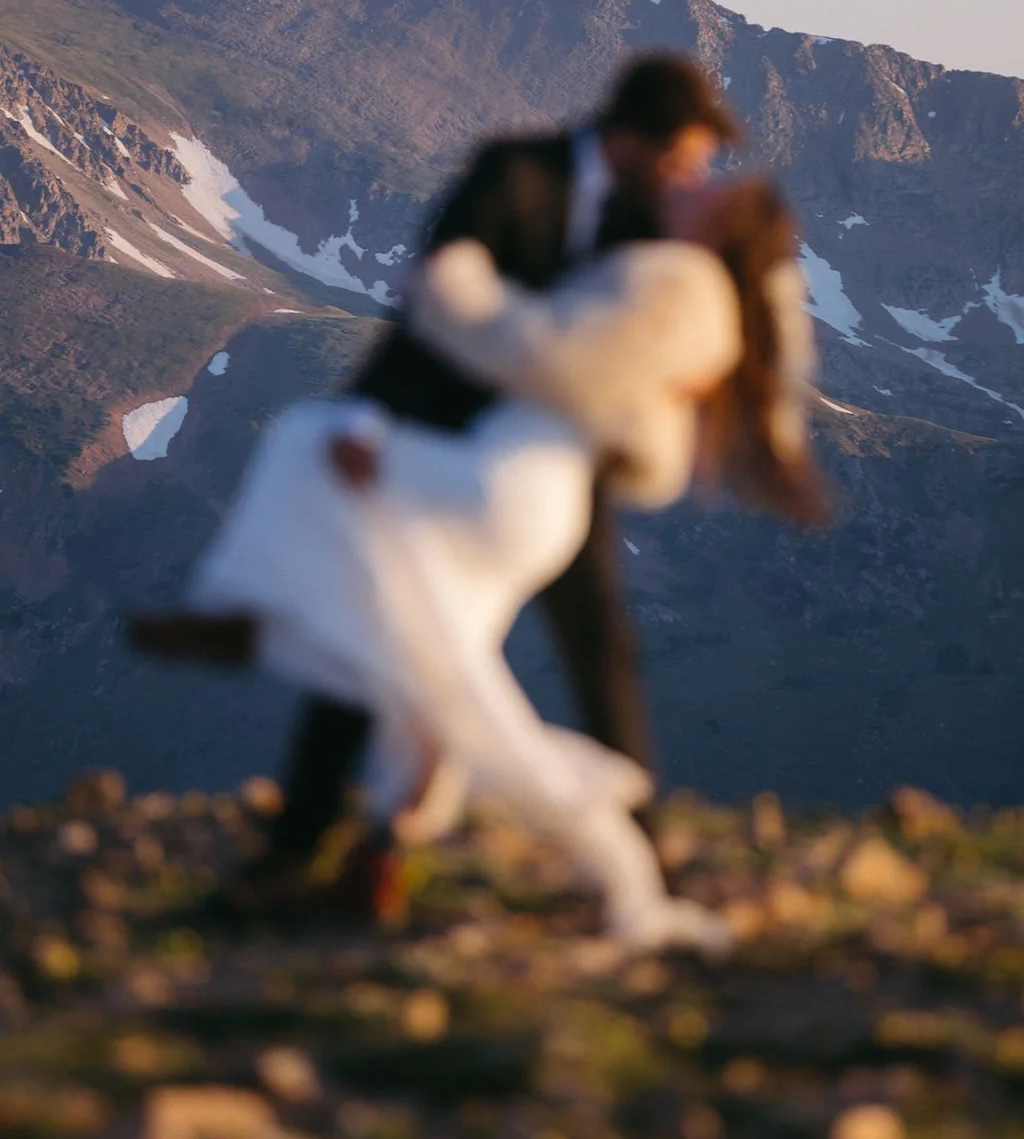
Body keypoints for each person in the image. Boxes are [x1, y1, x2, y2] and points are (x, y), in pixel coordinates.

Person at [154, 177, 823, 948]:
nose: (693, 186)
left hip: (507, 483)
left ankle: (240, 611)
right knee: (441, 670)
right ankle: (406, 853)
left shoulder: (681, 279)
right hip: (536, 496)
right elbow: (645, 441)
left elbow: (556, 361)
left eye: (712, 194)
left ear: (722, 227)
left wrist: (458, 292)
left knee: (308, 438)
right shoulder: (707, 306)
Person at [257, 53, 742, 904]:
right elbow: (430, 302)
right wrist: (365, 418)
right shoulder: (516, 173)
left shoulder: (647, 216)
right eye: (687, 152)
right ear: (634, 138)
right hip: (441, 450)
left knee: (599, 644)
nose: (696, 170)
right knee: (380, 631)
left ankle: (640, 847)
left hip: (552, 461)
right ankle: (308, 842)